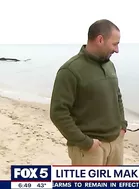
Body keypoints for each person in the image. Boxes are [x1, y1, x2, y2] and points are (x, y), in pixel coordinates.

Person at [49, 19, 127, 165]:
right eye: (115, 44)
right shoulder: (70, 70)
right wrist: (86, 143)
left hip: (116, 143)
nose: (117, 50)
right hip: (90, 149)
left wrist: (122, 125)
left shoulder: (110, 66)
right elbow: (58, 113)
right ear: (100, 39)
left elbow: (117, 97)